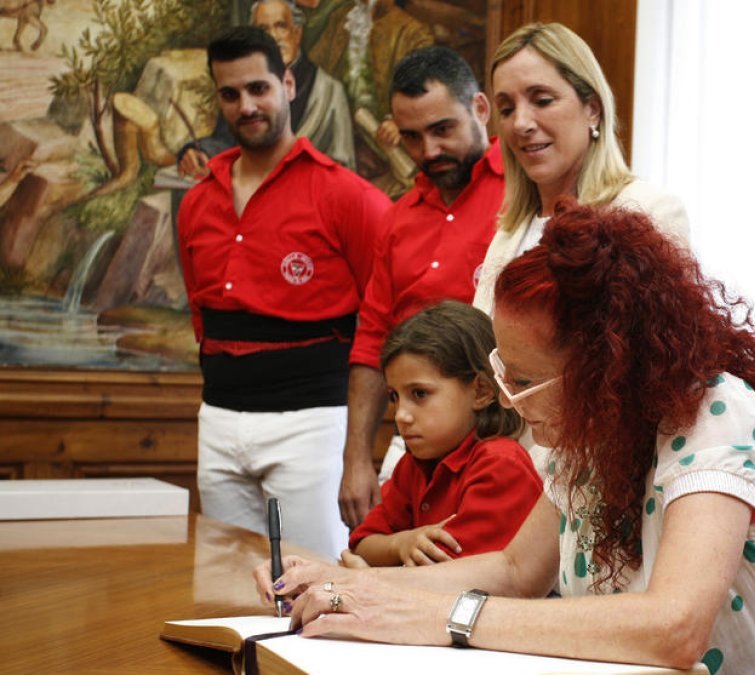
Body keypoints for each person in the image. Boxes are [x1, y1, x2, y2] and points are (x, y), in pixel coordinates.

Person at [255, 202, 755, 674]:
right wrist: (355, 584)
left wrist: (438, 615)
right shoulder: (590, 430)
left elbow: (674, 627)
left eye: (526, 380)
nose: (508, 399)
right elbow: (513, 571)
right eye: (504, 372)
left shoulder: (719, 413)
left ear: (609, 367)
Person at [177, 26, 390, 560]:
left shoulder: (348, 197)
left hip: (312, 423)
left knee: (321, 583)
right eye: (230, 94)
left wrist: (359, 453)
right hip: (219, 418)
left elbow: (383, 319)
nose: (246, 106)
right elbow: (201, 317)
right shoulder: (196, 202)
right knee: (224, 593)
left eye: (258, 89)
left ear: (288, 84)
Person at [338, 45, 505, 530]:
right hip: (416, 448)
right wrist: (356, 461)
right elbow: (372, 342)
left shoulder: (523, 197)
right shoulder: (397, 219)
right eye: (411, 137)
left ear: (479, 109)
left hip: (505, 441)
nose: (427, 152)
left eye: (442, 130)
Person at [471, 22, 689, 315]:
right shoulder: (509, 233)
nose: (521, 123)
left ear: (593, 109)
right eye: (507, 109)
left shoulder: (651, 211)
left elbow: (656, 350)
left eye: (542, 100)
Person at [345, 301, 541, 567]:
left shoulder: (501, 464)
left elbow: (445, 571)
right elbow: (362, 543)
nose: (401, 414)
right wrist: (401, 543)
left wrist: (369, 573)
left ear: (481, 391)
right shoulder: (413, 465)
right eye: (395, 396)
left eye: (419, 394)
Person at [178, 0, 355, 177]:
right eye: (263, 30)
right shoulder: (241, 86)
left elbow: (343, 168)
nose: (273, 37)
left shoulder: (329, 91)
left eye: (280, 26)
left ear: (297, 33)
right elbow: (225, 142)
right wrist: (199, 153)